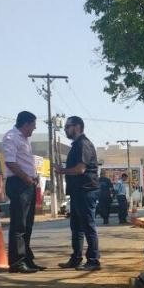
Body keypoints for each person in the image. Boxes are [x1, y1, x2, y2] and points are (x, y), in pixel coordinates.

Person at [55, 116, 100, 271]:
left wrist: (62, 171)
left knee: (88, 226)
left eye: (68, 126)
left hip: (86, 191)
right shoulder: (76, 145)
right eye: (66, 126)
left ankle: (93, 260)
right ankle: (76, 258)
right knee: (76, 227)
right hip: (77, 192)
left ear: (78, 127)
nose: (65, 129)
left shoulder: (83, 144)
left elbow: (80, 169)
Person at [2, 111, 44, 273]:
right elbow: (10, 161)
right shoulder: (11, 137)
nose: (34, 128)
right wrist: (26, 177)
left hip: (28, 183)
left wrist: (32, 178)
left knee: (28, 224)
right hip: (18, 183)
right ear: (26, 124)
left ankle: (27, 258)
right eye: (33, 125)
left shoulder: (25, 139)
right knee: (19, 225)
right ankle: (17, 262)